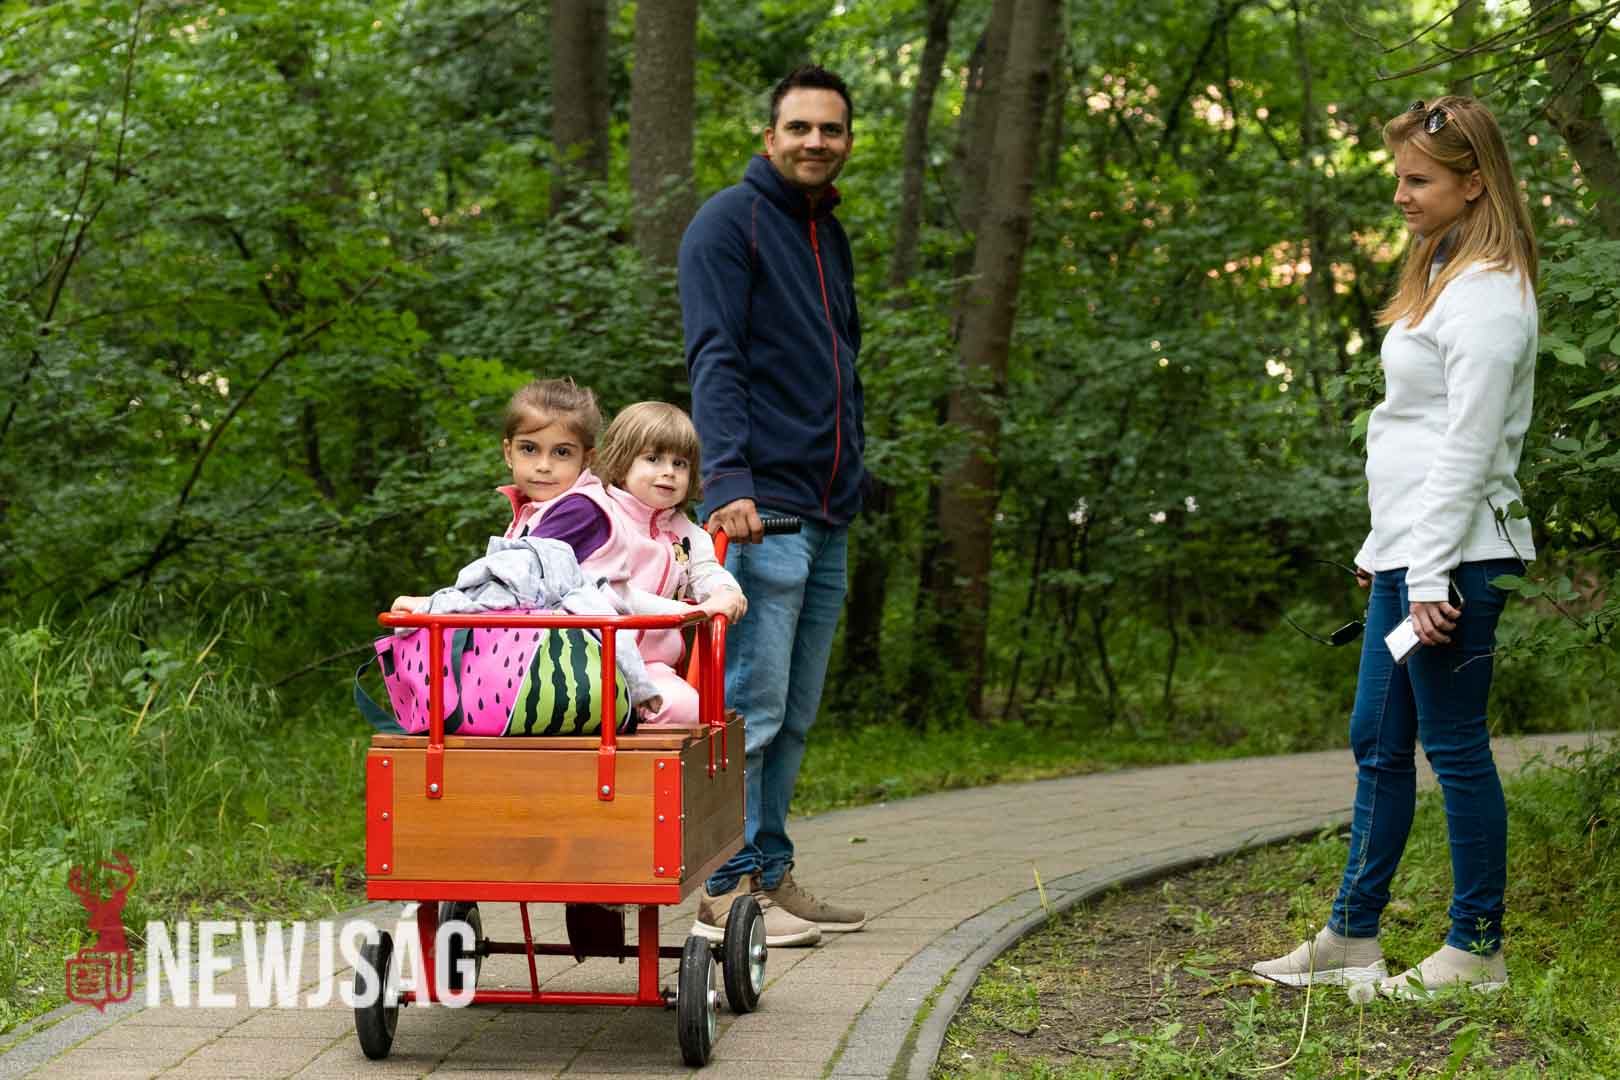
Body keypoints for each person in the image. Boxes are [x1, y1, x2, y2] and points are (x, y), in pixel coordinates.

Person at [1252, 95, 1538, 998]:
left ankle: (1476, 950)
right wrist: (1386, 546)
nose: (1401, 195)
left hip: (1455, 562)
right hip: (1411, 554)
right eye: (1399, 178)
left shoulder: (1489, 295)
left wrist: (1429, 572)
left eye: (1419, 180)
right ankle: (1352, 934)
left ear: (1474, 182)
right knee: (1377, 736)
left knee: (1454, 748)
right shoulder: (1444, 274)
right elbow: (1411, 431)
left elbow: (1467, 446)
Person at [678, 63, 868, 949]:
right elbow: (715, 356)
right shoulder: (729, 223)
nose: (815, 142)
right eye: (800, 127)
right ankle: (724, 891)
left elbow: (840, 364)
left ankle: (770, 870)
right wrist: (729, 484)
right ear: (769, 137)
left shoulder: (828, 235)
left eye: (830, 129)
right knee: (747, 709)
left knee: (792, 713)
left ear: (847, 141)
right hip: (762, 509)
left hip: (827, 513)